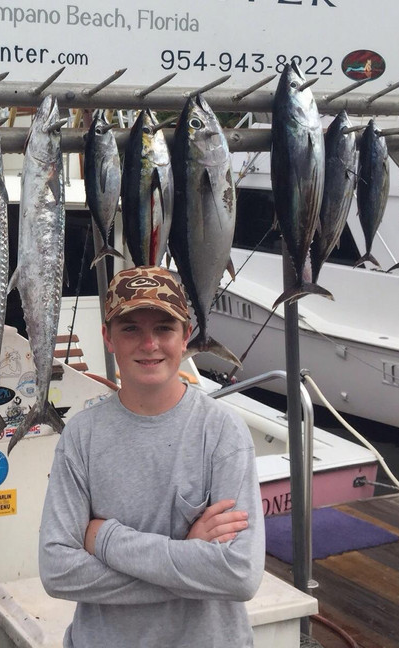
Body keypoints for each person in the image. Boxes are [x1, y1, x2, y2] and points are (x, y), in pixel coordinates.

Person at [39, 265, 265, 647]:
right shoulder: (81, 436)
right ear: (108, 338)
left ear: (185, 337)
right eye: (131, 329)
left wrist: (105, 539)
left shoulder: (224, 432)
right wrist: (189, 560)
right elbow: (57, 571)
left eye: (163, 328)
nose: (149, 344)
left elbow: (240, 575)